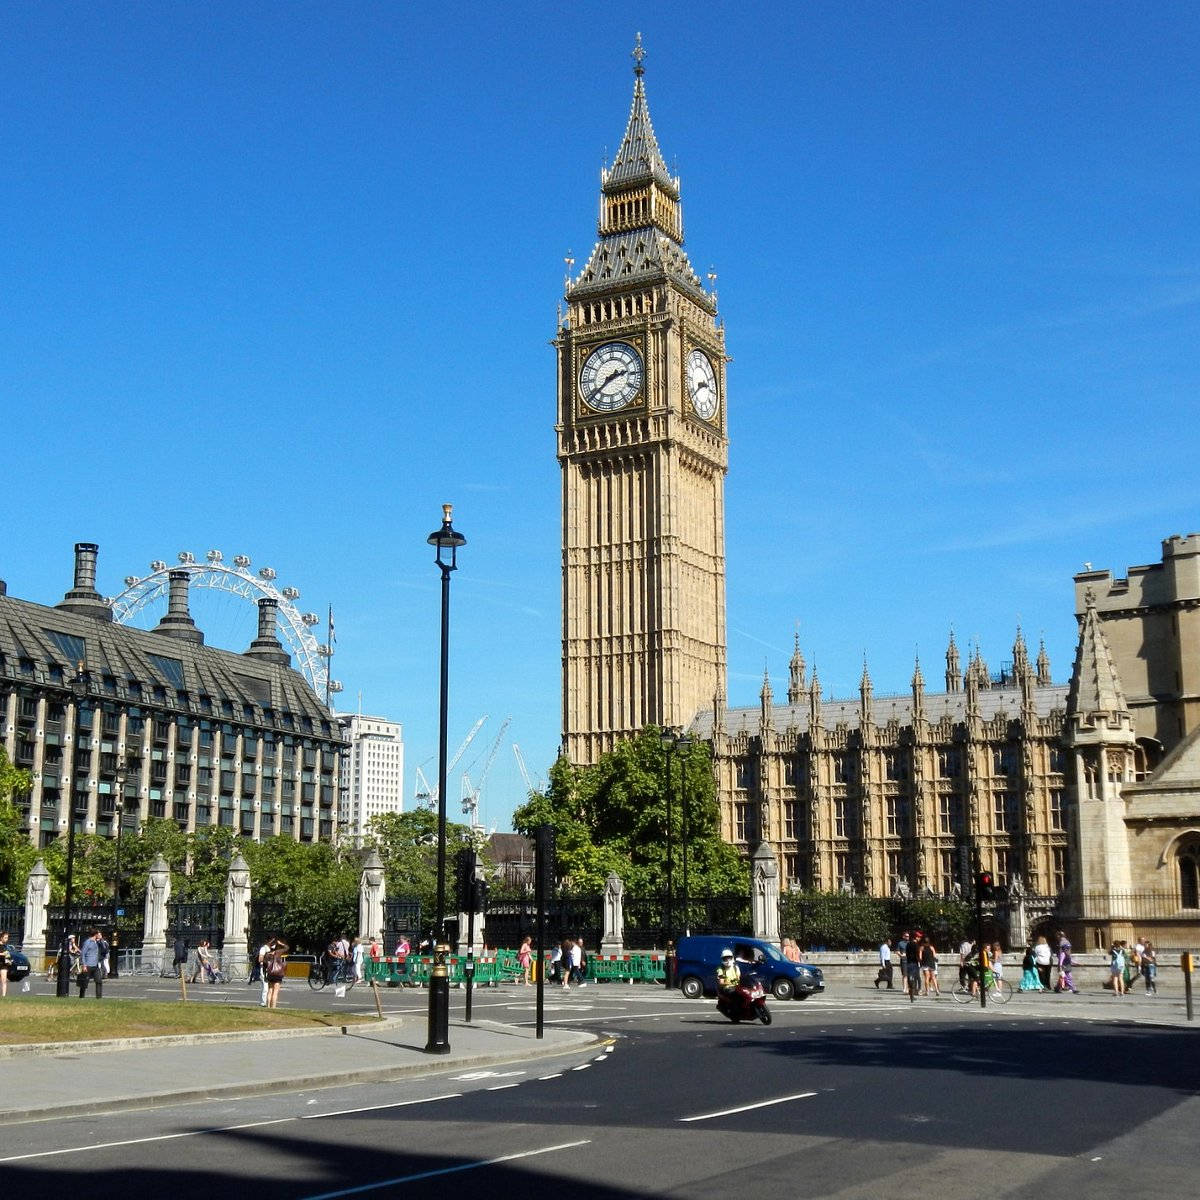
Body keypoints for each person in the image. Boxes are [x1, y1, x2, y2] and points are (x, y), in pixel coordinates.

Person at [79, 927, 106, 999]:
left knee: (99, 981)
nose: (99, 935)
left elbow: (104, 949)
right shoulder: (87, 942)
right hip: (88, 965)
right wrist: (84, 965)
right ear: (95, 934)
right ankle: (81, 996)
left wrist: (102, 940)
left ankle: (99, 997)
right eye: (98, 934)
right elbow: (83, 954)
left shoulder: (97, 942)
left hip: (95, 965)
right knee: (84, 982)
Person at [263, 936, 289, 1008]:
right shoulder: (278, 952)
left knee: (270, 990)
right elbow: (287, 948)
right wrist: (281, 943)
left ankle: (268, 1006)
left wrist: (265, 975)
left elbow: (265, 964)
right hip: (278, 973)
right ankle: (273, 1007)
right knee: (275, 992)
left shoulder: (268, 954)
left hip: (270, 973)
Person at [904, 931, 923, 998]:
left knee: (910, 977)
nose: (920, 938)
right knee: (917, 977)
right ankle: (916, 990)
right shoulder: (916, 945)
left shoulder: (908, 944)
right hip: (915, 963)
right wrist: (920, 961)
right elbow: (917, 955)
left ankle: (911, 990)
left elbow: (906, 953)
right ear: (916, 937)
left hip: (909, 963)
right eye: (919, 937)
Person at [0, 930, 11, 998]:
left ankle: (4, 996)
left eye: (7, 938)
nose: (7, 939)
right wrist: (2, 954)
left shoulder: (6, 946)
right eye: (5, 937)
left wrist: (9, 961)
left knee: (4, 980)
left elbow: (7, 955)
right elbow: (3, 954)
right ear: (1, 938)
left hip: (3, 965)